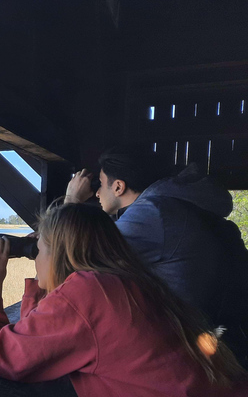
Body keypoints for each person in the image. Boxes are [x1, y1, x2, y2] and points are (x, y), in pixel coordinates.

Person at [0, 203, 248, 397]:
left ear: (58, 253)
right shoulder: (126, 282)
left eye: (39, 250)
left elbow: (0, 353)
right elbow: (38, 336)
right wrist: (41, 281)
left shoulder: (87, 293)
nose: (36, 257)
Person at [65, 146, 248, 366]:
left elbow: (77, 255)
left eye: (100, 184)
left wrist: (71, 201)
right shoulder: (170, 205)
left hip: (198, 350)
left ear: (118, 186)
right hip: (218, 334)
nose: (95, 193)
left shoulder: (152, 212)